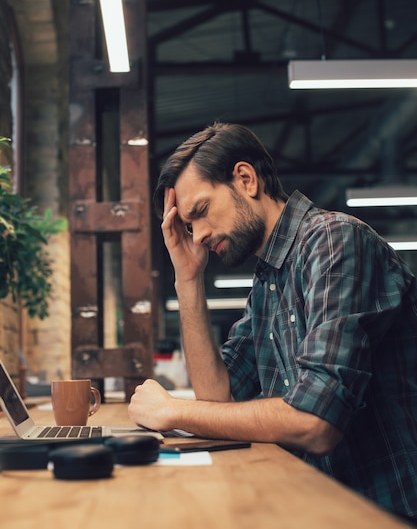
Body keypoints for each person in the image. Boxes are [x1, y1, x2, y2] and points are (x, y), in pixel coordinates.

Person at [128, 122, 417, 523]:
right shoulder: (268, 282)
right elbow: (219, 398)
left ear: (246, 179)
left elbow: (316, 422)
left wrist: (174, 412)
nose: (199, 235)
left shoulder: (334, 242)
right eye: (190, 227)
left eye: (201, 212)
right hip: (319, 505)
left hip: (383, 512)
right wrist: (188, 279)